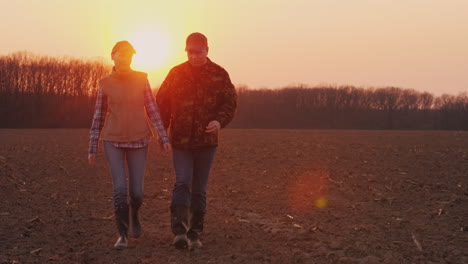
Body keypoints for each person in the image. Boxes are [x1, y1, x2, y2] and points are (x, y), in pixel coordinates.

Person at [156, 32, 237, 250]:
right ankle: (179, 231)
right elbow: (161, 102)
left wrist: (219, 122)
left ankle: (195, 233)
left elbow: (230, 103)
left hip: (207, 142)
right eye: (190, 52)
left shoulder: (219, 75)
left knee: (199, 188)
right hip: (181, 141)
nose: (193, 56)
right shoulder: (176, 73)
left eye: (198, 52)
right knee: (182, 181)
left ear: (207, 50)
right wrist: (162, 131)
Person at [88, 40, 171, 250]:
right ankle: (122, 234)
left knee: (136, 192)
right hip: (112, 140)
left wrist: (163, 137)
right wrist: (92, 146)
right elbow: (98, 116)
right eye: (121, 54)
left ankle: (135, 213)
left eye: (129, 55)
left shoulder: (141, 79)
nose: (125, 57)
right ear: (113, 56)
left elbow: (152, 110)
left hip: (139, 138)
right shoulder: (105, 83)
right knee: (119, 189)